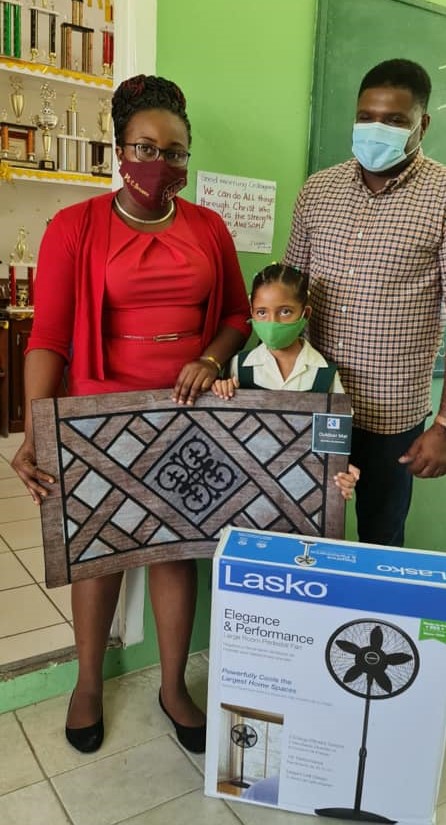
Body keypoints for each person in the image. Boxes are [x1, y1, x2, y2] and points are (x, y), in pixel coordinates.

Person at [11, 74, 251, 754]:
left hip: (189, 413)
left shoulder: (209, 227)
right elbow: (49, 338)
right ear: (120, 148)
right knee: (99, 553)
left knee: (177, 552)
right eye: (146, 146)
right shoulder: (73, 227)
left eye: (176, 152)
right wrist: (38, 428)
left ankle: (173, 684)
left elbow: (236, 315)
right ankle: (89, 681)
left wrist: (211, 355)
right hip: (98, 414)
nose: (162, 163)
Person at [284, 58, 446, 547]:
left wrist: (444, 425)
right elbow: (288, 294)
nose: (377, 129)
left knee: (380, 535)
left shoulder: (442, 195)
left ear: (423, 124)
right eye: (366, 117)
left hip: (392, 415)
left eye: (394, 120)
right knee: (303, 529)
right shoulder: (318, 190)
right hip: (312, 402)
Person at [212, 263, 359, 500]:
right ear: (251, 312)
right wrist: (221, 392)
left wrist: (343, 471)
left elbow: (336, 443)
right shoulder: (239, 366)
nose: (273, 322)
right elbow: (224, 430)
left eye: (285, 312)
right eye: (262, 312)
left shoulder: (324, 374)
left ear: (305, 314)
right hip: (247, 489)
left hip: (305, 491)